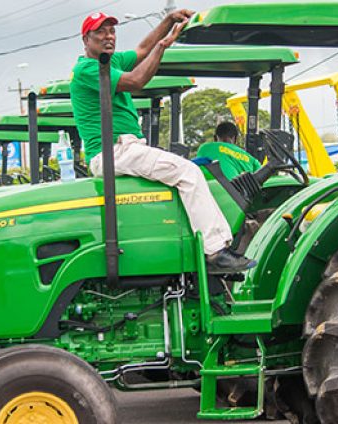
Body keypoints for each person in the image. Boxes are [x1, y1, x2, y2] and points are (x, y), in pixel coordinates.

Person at [70, 11, 256, 274]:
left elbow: (142, 49)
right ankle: (215, 252)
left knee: (185, 177)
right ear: (86, 38)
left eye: (112, 31)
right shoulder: (86, 69)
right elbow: (136, 80)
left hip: (126, 147)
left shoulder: (110, 63)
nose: (108, 36)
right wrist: (164, 45)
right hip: (113, 151)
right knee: (188, 172)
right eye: (101, 31)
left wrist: (168, 21)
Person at [195, 122, 262, 180]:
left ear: (215, 138)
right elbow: (259, 177)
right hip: (234, 192)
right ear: (235, 138)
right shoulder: (251, 160)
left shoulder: (204, 148)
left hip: (208, 190)